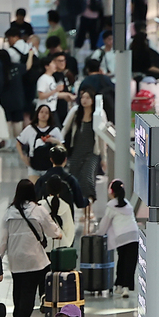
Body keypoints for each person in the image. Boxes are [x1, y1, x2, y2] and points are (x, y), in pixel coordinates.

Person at [0, 180, 62, 317]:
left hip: (15, 259)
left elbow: (3, 239)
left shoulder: (9, 212)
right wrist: (58, 234)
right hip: (34, 258)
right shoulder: (38, 210)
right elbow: (52, 230)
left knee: (18, 289)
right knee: (30, 288)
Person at [61, 89, 101, 225]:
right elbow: (65, 129)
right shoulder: (75, 112)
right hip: (77, 152)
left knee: (88, 178)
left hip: (92, 153)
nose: (85, 100)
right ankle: (83, 210)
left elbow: (102, 138)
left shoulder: (98, 114)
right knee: (76, 180)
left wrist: (105, 157)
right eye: (83, 97)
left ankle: (89, 211)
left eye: (88, 97)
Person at [95, 180, 139, 298]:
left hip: (122, 236)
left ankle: (119, 285)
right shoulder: (127, 204)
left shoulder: (111, 206)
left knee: (122, 260)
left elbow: (104, 224)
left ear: (111, 192)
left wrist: (98, 233)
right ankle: (126, 288)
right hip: (134, 235)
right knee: (130, 263)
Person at [17, 105, 64, 176]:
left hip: (50, 167)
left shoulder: (55, 130)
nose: (43, 115)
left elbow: (62, 148)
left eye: (46, 113)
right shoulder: (30, 129)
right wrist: (22, 156)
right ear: (37, 114)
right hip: (33, 165)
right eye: (41, 112)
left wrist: (56, 141)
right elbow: (19, 142)